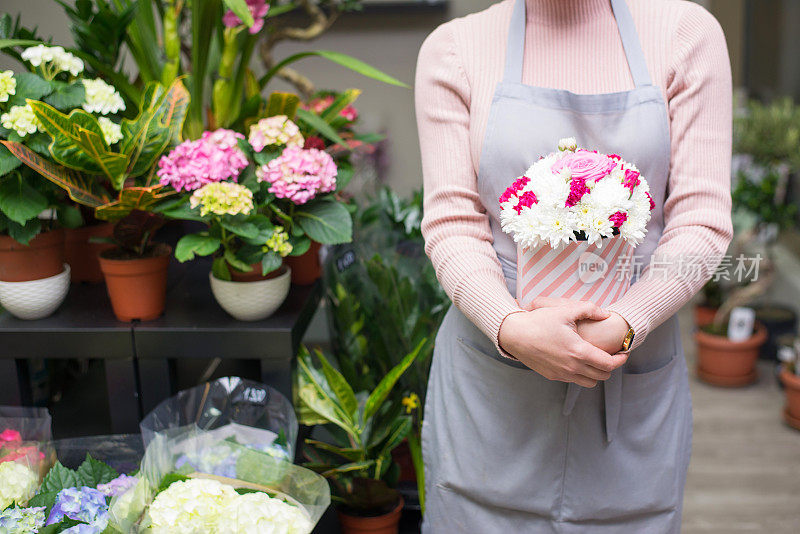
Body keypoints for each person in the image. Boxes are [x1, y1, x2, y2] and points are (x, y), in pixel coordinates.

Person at [415, 0, 733, 531]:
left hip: (631, 372)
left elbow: (701, 216)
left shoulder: (685, 35)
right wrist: (508, 325)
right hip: (495, 381)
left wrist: (627, 322)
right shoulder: (455, 50)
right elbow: (452, 221)